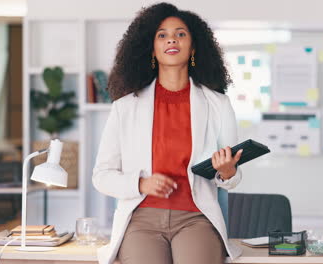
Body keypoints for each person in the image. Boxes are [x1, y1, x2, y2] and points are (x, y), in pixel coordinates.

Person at [92, 3, 243, 264]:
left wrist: (227, 171)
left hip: (196, 219)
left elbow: (230, 175)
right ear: (150, 48)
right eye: (162, 34)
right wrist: (140, 184)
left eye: (180, 34)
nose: (171, 38)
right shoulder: (125, 107)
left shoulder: (218, 104)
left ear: (194, 47)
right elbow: (101, 176)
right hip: (141, 220)